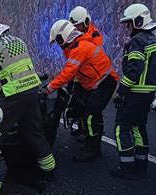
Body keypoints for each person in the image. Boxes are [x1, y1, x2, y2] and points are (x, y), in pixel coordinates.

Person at [0, 11, 56, 182]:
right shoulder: (18, 40)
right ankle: (49, 170)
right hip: (32, 92)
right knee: (34, 131)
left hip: (13, 95)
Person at [47, 20, 119, 162]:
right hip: (98, 82)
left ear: (63, 37)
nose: (58, 44)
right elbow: (74, 72)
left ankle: (92, 148)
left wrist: (49, 88)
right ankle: (91, 141)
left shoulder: (80, 47)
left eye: (58, 40)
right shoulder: (76, 46)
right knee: (88, 111)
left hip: (105, 82)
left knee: (91, 114)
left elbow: (68, 72)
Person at [110, 4, 156, 179]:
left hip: (134, 92)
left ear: (138, 21)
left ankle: (126, 167)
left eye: (129, 23)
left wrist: (121, 91)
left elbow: (134, 69)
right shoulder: (155, 41)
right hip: (147, 93)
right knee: (139, 127)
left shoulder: (137, 41)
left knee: (121, 127)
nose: (128, 27)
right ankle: (141, 163)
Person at [66, 6, 104, 141]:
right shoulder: (77, 36)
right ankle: (82, 129)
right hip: (79, 76)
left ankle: (92, 137)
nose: (76, 28)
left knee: (92, 110)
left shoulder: (95, 36)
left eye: (78, 25)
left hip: (92, 79)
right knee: (80, 105)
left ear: (86, 22)